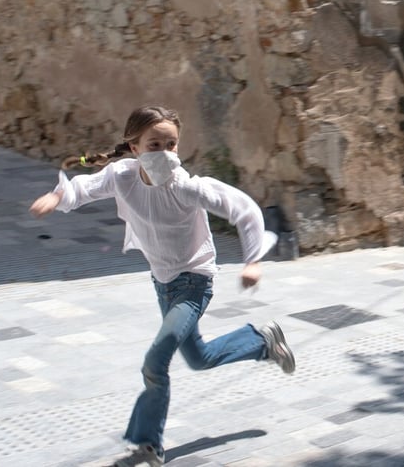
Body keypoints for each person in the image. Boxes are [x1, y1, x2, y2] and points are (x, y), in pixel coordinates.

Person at [28, 105, 295, 467]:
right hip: (163, 283)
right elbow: (84, 187)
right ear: (134, 147)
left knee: (156, 361)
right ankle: (262, 342)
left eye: (172, 145)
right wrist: (57, 197)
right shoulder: (121, 176)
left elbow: (243, 209)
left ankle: (147, 443)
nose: (165, 153)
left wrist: (252, 260)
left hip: (194, 281)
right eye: (155, 144)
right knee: (198, 358)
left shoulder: (185, 186)